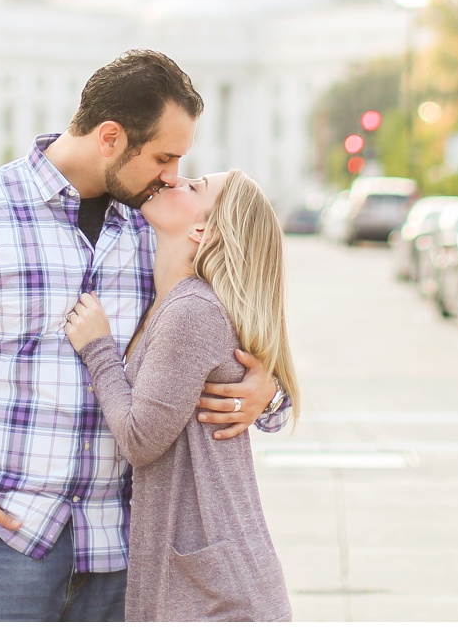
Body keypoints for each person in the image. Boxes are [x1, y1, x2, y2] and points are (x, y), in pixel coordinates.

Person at [0, 50, 288, 622]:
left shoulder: (159, 232)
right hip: (1, 538)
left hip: (117, 550)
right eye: (163, 156)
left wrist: (266, 393)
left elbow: (238, 322)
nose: (172, 175)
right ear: (110, 138)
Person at [64, 170, 296, 622]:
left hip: (215, 596)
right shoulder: (173, 300)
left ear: (203, 231)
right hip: (207, 583)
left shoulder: (193, 310)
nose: (174, 182)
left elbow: (139, 439)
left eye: (194, 187)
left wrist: (98, 349)